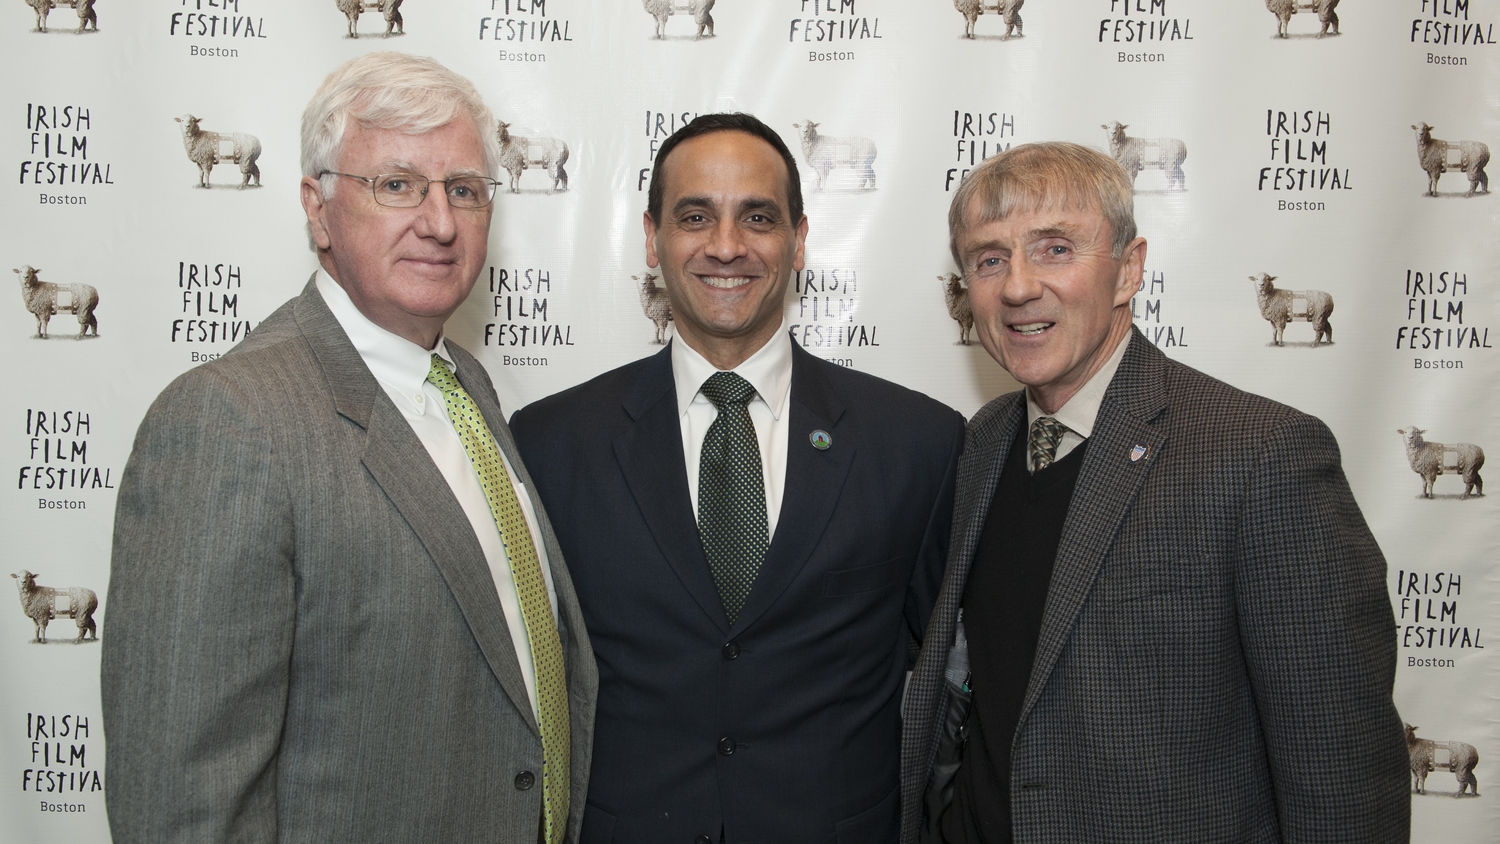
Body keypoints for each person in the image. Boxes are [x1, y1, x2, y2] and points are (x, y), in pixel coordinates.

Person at [101, 52, 595, 844]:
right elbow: (184, 804)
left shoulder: (465, 384)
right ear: (318, 206)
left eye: (463, 190)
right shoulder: (229, 421)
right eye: (397, 184)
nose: (439, 222)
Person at [898, 142, 1409, 844]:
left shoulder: (1261, 455)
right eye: (990, 259)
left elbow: (1340, 769)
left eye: (1054, 250)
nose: (1017, 287)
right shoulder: (982, 444)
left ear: (1129, 269)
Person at [510, 113, 965, 844]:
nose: (727, 246)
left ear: (799, 239)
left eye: (758, 216)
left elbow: (937, 660)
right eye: (696, 217)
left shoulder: (918, 442)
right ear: (653, 238)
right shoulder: (551, 441)